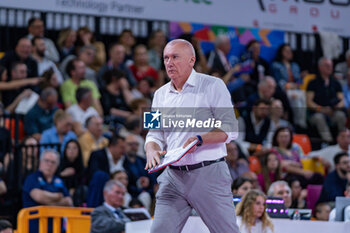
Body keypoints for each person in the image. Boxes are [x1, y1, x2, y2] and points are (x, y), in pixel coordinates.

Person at [145, 39, 239, 232]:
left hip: (208, 173)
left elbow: (230, 128)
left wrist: (201, 139)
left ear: (191, 60)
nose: (169, 62)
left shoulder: (213, 85)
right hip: (172, 175)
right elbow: (153, 133)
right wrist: (151, 150)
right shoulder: (159, 94)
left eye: (175, 57)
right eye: (166, 58)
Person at [22, 149, 73, 233]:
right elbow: (39, 197)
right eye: (46, 161)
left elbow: (69, 202)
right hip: (35, 228)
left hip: (57, 228)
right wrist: (58, 197)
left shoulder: (58, 180)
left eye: (53, 162)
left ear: (57, 166)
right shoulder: (32, 178)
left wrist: (47, 202)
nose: (49, 164)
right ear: (40, 162)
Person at [306, 57, 346, 143]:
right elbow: (309, 102)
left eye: (331, 65)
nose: (329, 67)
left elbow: (342, 101)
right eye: (327, 65)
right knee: (319, 118)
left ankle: (342, 140)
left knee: (341, 116)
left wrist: (335, 107)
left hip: (333, 111)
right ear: (320, 67)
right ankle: (328, 141)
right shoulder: (313, 83)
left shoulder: (336, 83)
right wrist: (321, 109)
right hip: (317, 112)